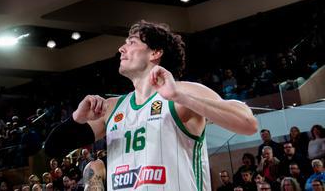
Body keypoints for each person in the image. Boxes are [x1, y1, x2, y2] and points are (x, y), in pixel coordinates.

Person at [45, 21, 258, 191]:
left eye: (132, 42)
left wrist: (179, 96)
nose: (121, 48)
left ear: (155, 53)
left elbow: (248, 123)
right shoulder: (112, 108)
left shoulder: (182, 92)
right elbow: (52, 148)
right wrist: (76, 119)